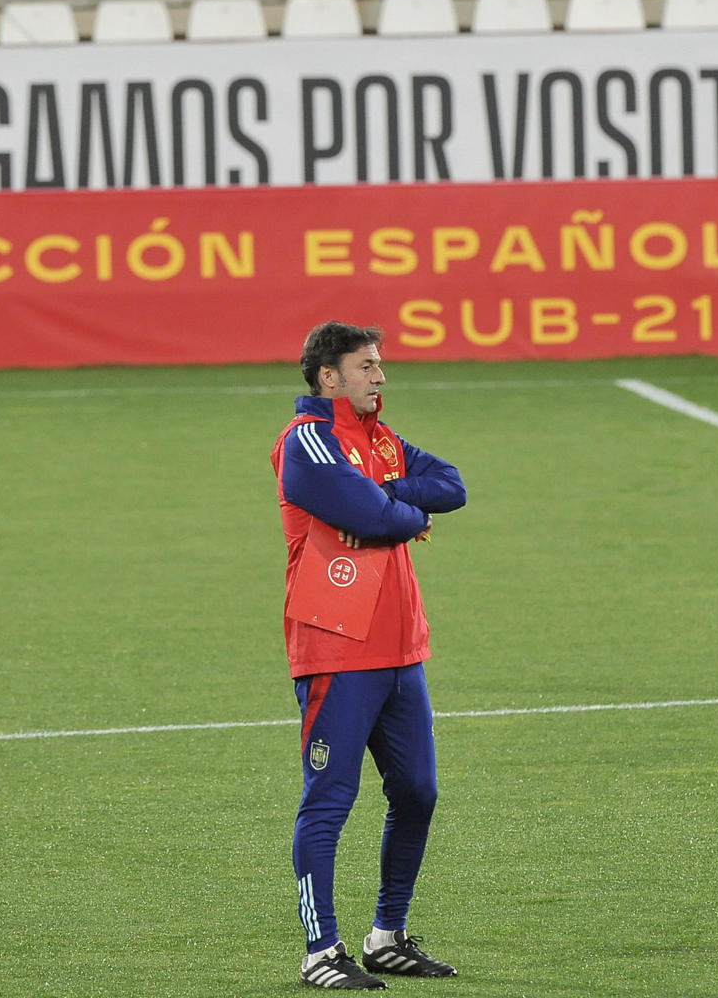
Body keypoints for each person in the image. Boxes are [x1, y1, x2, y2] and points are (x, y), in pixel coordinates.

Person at [269, 320, 468, 990]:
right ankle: (320, 951)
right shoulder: (308, 442)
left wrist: (390, 498)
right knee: (330, 799)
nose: (380, 376)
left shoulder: (381, 441)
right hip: (336, 647)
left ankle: (386, 936)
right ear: (329, 377)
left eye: (380, 365)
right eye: (366, 366)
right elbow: (382, 517)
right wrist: (400, 512)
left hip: (399, 650)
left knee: (417, 792)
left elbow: (451, 484)